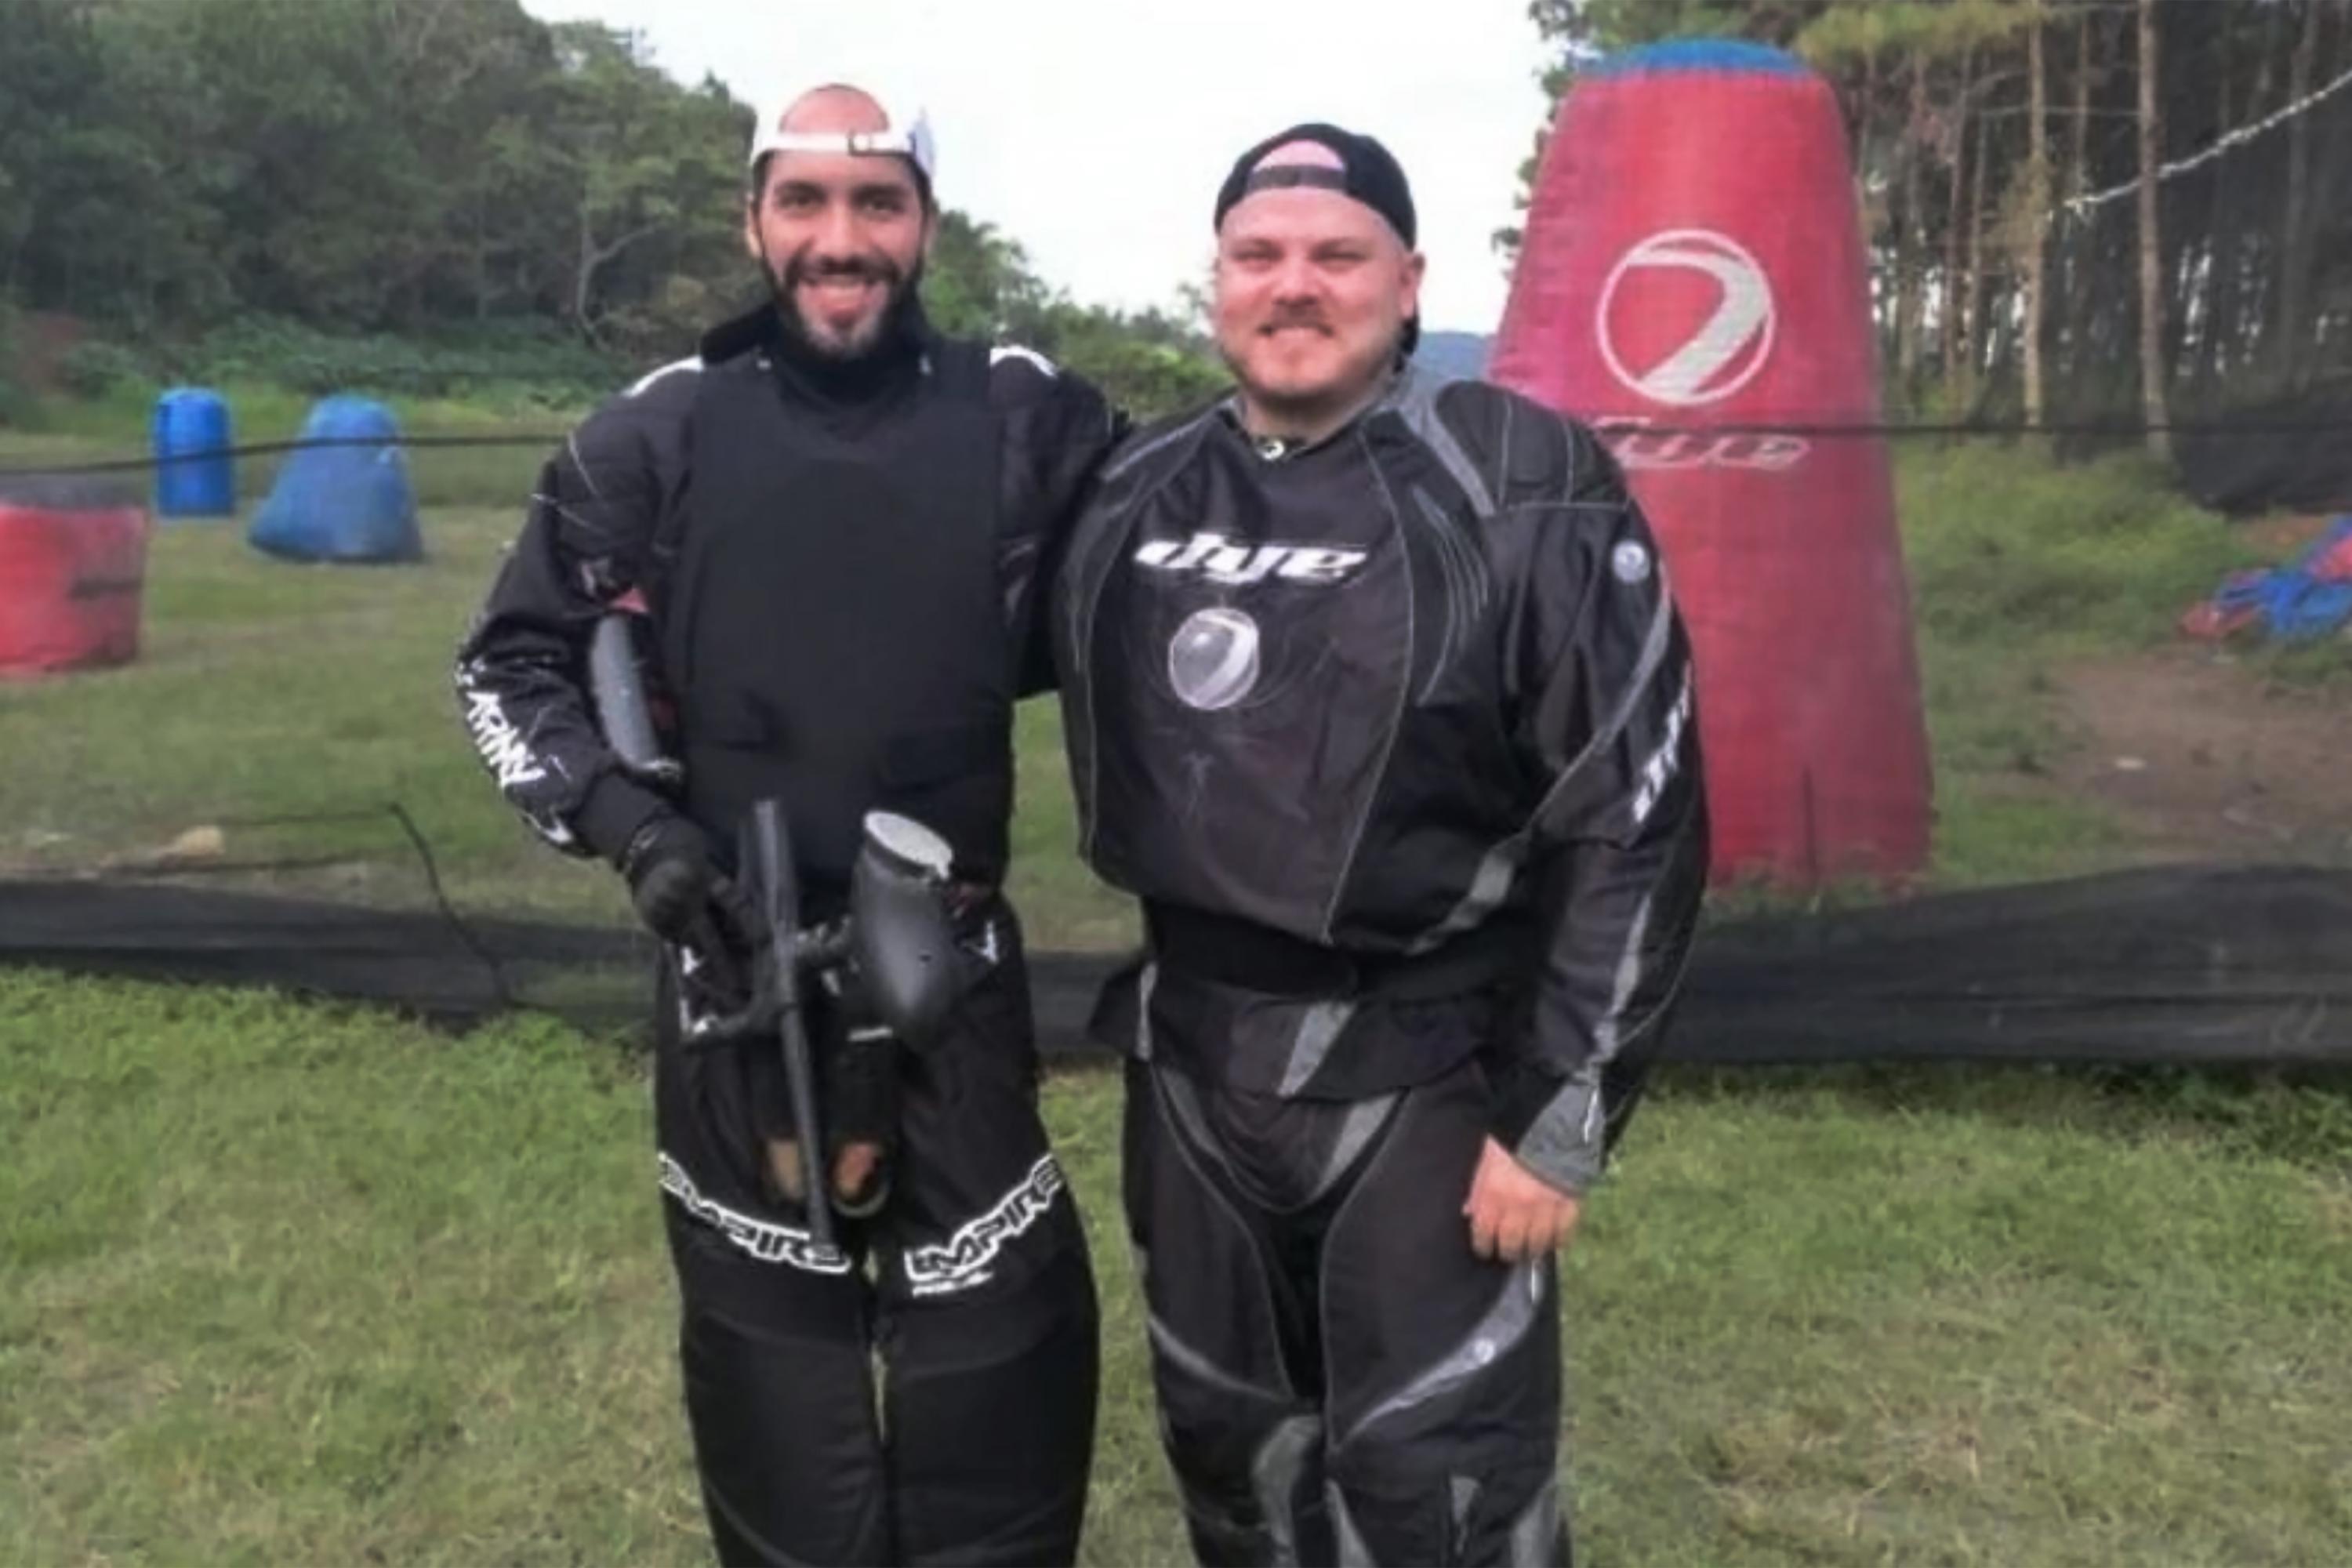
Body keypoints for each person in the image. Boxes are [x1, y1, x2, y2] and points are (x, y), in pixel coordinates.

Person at [454, 74, 1119, 1568]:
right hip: (732, 974)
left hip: (946, 974)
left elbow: (1196, 547)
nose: (841, 238)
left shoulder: (1027, 414)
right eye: (805, 201)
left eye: (876, 202)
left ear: (926, 226)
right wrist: (631, 828)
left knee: (998, 1378)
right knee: (777, 1405)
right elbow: (506, 661)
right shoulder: (663, 432)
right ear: (754, 218)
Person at [1050, 124, 1709, 1567]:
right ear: (1216, 282)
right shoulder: (1127, 488)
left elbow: (1635, 813)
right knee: (1230, 1454)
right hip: (1191, 1074)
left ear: (1408, 283)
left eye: (1337, 257)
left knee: (1438, 1482)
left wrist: (1560, 1114)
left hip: (1425, 1077)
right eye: (1260, 256)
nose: (1297, 287)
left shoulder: (1521, 485)